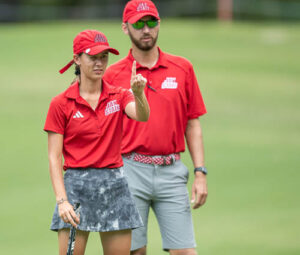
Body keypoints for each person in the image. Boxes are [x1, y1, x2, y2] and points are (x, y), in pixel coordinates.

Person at [103, 1, 208, 255]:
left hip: (171, 171)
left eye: (151, 22)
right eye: (138, 24)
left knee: (185, 252)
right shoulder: (112, 75)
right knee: (134, 252)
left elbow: (192, 123)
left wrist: (200, 172)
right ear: (125, 28)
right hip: (128, 171)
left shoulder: (182, 68)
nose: (145, 29)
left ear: (159, 24)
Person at [44, 29, 150, 255]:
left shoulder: (120, 95)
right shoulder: (61, 103)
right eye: (93, 57)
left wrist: (139, 94)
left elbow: (142, 115)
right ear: (77, 59)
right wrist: (62, 200)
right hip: (76, 191)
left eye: (104, 57)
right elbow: (54, 157)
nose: (100, 63)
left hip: (115, 188)